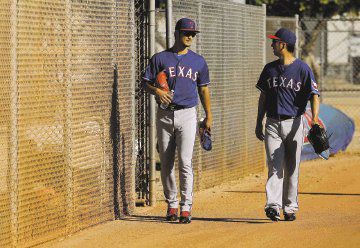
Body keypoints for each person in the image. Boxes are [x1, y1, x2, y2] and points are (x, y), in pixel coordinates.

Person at [142, 18, 212, 224]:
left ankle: (186, 206)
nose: (190, 36)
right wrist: (156, 90)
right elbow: (145, 82)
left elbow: (204, 89)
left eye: (193, 33)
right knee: (166, 163)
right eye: (186, 32)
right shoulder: (160, 58)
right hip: (164, 114)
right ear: (176, 33)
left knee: (185, 162)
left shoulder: (198, 61)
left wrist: (209, 115)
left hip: (188, 114)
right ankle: (172, 203)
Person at [255, 28, 320, 221]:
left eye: (275, 41)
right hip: (273, 123)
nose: (272, 44)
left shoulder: (302, 69)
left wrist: (314, 120)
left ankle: (290, 207)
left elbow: (314, 96)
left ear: (283, 45)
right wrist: (259, 121)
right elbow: (263, 97)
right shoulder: (269, 69)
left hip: (295, 123)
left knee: (291, 167)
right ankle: (273, 206)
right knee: (275, 166)